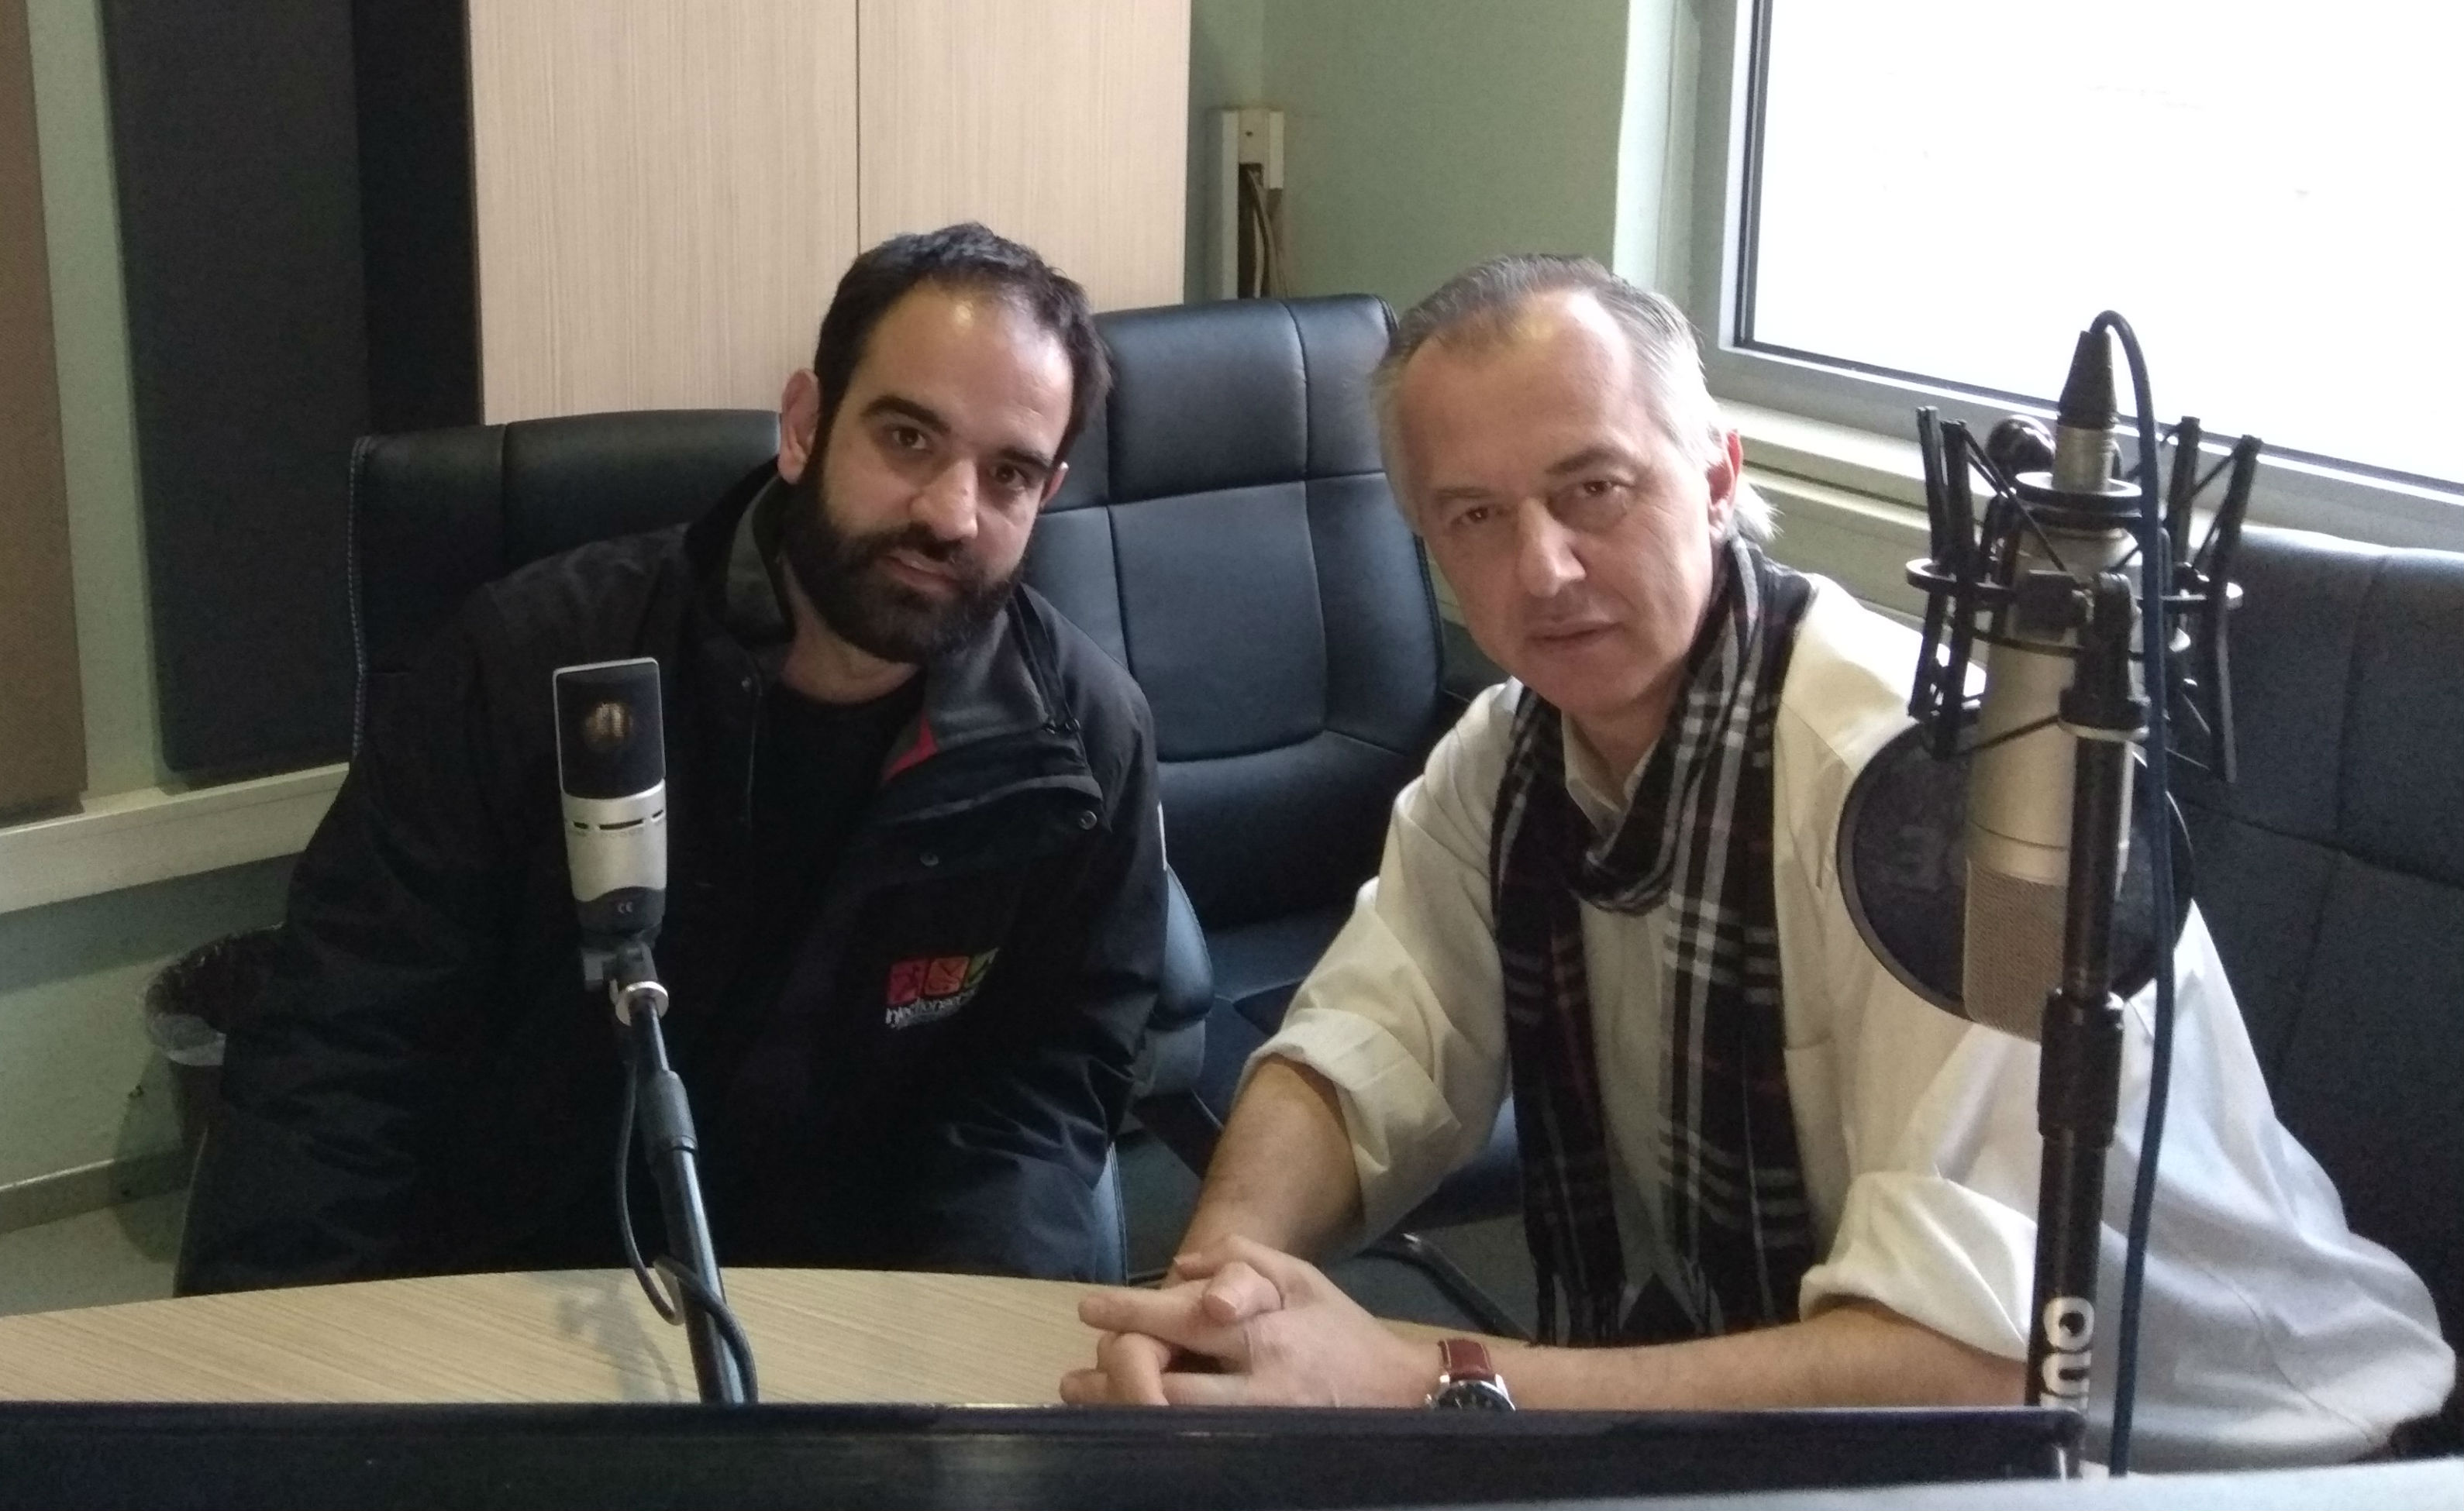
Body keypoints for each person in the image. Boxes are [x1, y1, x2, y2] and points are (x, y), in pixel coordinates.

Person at [1061, 256, 2452, 1468]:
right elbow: (1367, 1044)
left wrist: (1432, 1376)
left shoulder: (1931, 797)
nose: (1542, 569)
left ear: (1719, 475)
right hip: (1886, 1436)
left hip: (2241, 1457)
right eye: (1475, 516)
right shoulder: (1510, 757)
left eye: (1594, 488)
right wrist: (1221, 1284)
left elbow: (1967, 1362)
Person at [180, 223, 1163, 1292]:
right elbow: (342, 1050)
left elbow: (1044, 1079)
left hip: (858, 1305)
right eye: (908, 438)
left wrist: (975, 1337)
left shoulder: (1082, 742)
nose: (951, 514)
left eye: (1009, 473)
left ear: (1046, 494)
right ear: (805, 427)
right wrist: (292, 1372)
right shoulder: (524, 663)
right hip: (515, 1285)